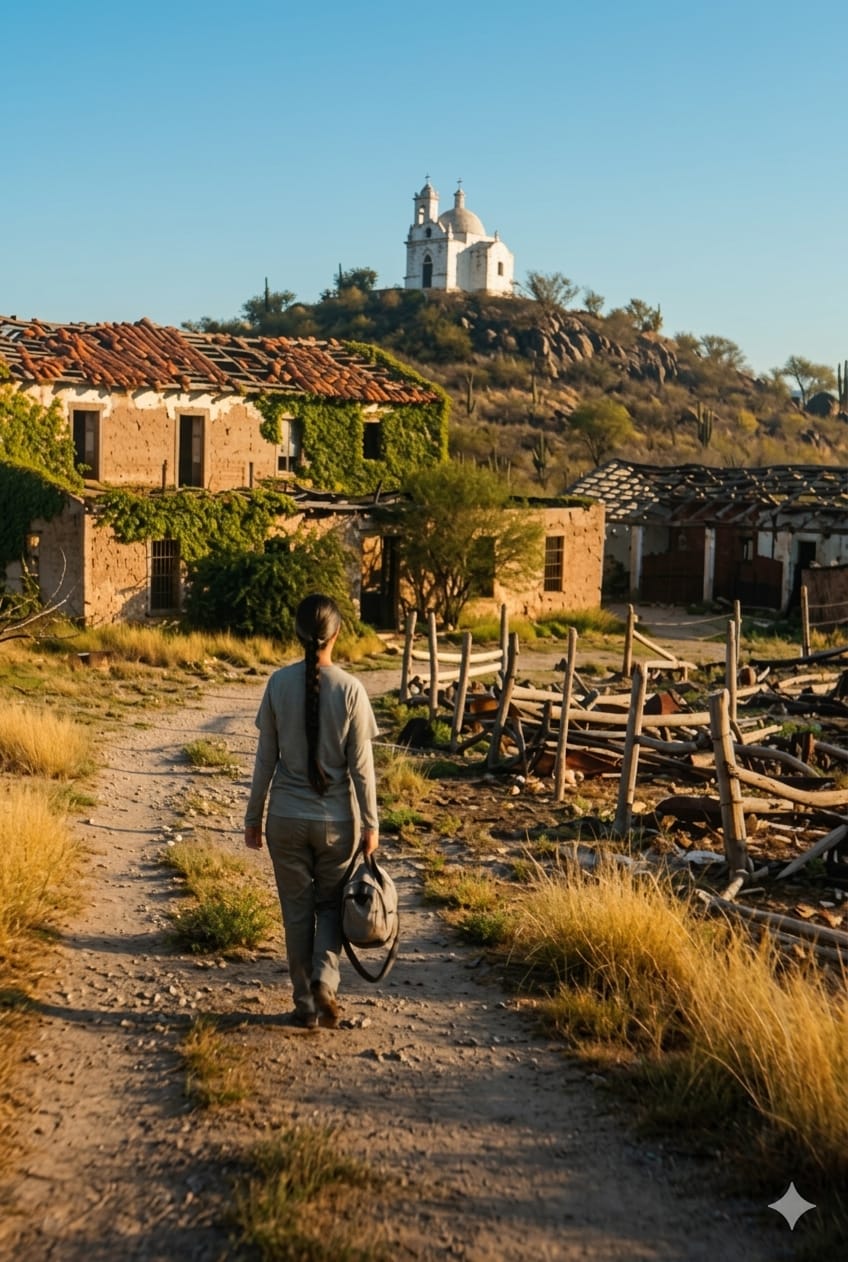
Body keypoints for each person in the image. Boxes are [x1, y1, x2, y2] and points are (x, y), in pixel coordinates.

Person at [244, 593, 380, 1029]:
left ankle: (304, 1005)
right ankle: (325, 979)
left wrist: (253, 817)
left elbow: (265, 759)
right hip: (337, 825)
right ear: (337, 634)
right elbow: (361, 768)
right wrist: (372, 824)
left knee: (297, 913)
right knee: (329, 907)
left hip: (284, 820)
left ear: (297, 633)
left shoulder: (277, 684)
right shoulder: (352, 690)